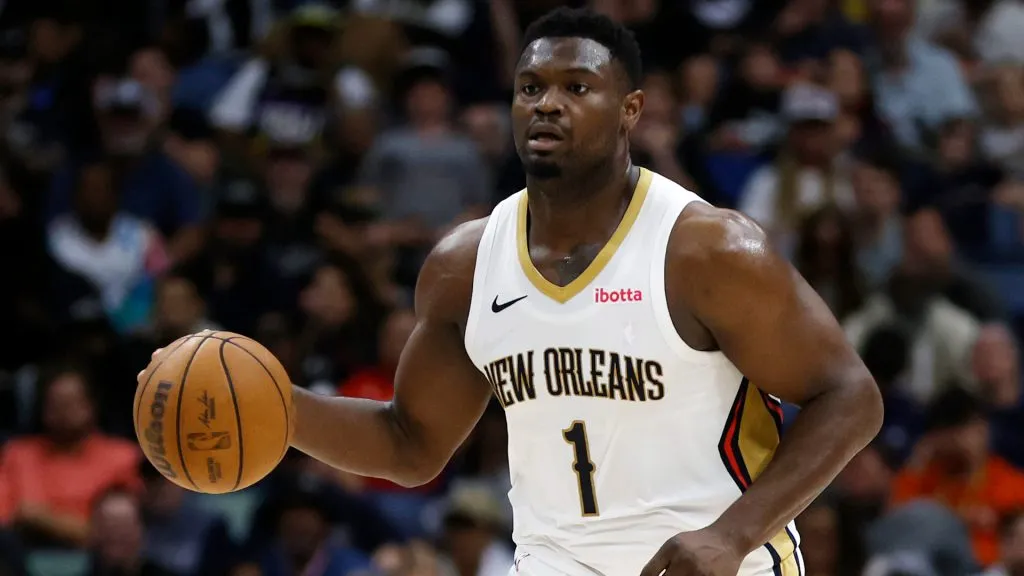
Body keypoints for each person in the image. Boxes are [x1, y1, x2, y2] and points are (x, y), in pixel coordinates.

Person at [140, 8, 883, 576]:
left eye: (576, 87)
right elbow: (411, 444)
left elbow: (851, 395)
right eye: (530, 88)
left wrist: (733, 533)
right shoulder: (466, 264)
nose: (546, 105)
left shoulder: (705, 248)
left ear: (631, 111)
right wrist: (275, 408)